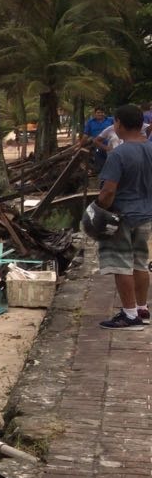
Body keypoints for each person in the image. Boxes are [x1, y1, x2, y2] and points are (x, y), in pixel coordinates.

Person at [95, 104, 152, 329]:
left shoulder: (118, 154)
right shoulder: (150, 149)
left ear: (118, 123)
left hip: (122, 216)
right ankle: (142, 308)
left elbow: (108, 191)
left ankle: (130, 315)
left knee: (121, 265)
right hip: (146, 215)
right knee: (140, 262)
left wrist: (99, 209)